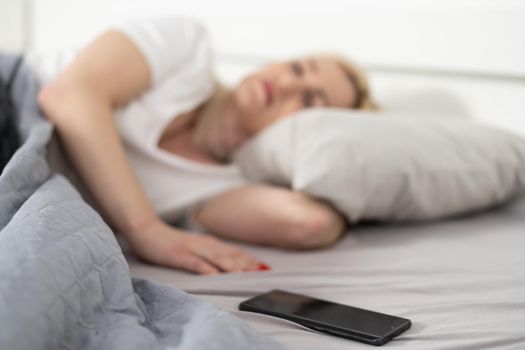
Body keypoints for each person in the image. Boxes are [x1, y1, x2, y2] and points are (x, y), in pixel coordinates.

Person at [38, 17, 377, 275]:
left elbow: (310, 224)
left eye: (308, 100)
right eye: (298, 67)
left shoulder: (228, 186)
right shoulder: (188, 50)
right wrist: (146, 230)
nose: (287, 83)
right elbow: (68, 94)